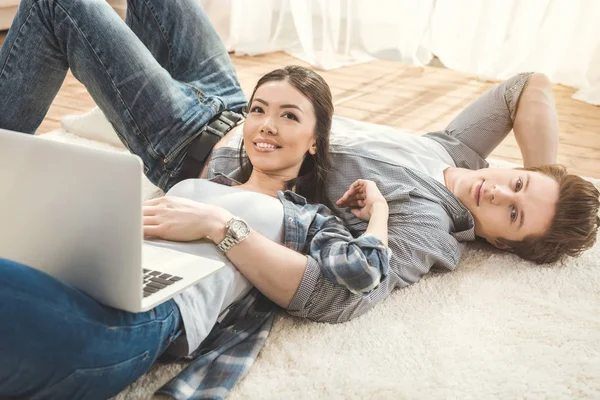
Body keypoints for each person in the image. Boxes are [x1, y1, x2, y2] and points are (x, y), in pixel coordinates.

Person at [0, 0, 598, 398]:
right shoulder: (459, 150)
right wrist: (549, 170)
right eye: (518, 182)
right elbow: (527, 85)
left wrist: (225, 225)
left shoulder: (431, 227)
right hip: (237, 101)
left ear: (497, 239)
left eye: (510, 214)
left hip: (190, 145)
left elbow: (342, 289)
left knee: (61, 7)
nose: (497, 189)